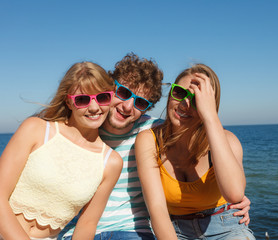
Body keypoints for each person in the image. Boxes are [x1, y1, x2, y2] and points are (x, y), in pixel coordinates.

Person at [60, 54, 252, 240]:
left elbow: (234, 193)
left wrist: (210, 115)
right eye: (123, 93)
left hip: (133, 231)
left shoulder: (151, 130)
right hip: (84, 230)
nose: (128, 106)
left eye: (140, 102)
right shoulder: (81, 127)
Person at [0, 62, 123, 240]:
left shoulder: (111, 162)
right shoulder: (35, 129)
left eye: (103, 97)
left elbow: (87, 224)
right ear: (69, 102)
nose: (95, 108)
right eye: (82, 100)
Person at [135, 64, 255, 240]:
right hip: (175, 230)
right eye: (179, 93)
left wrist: (210, 117)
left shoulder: (227, 140)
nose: (185, 104)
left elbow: (234, 194)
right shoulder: (150, 141)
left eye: (196, 100)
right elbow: (157, 209)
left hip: (226, 227)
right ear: (170, 94)